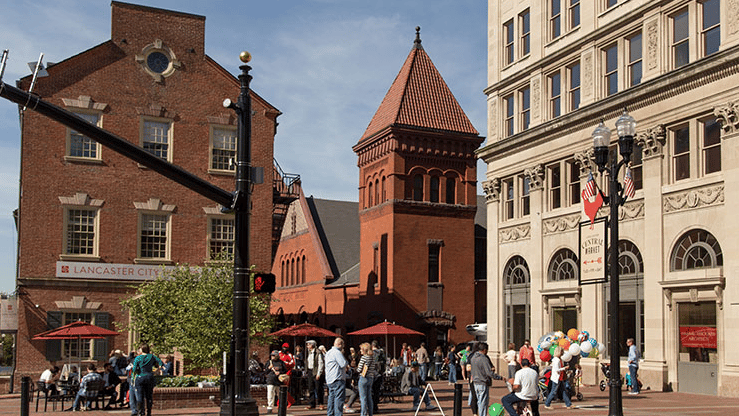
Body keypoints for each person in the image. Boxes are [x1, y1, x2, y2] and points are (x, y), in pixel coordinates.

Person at [132, 343, 164, 416]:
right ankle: (149, 412)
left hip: (140, 377)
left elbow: (134, 369)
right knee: (149, 396)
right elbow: (160, 363)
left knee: (140, 396)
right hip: (149, 377)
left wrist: (137, 373)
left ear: (142, 349)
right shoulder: (151, 356)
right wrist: (157, 370)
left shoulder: (138, 358)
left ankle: (140, 412)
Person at [325, 337, 349, 416]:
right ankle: (338, 414)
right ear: (340, 344)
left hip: (330, 378)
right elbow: (343, 364)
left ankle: (330, 413)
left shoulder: (328, 352)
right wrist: (347, 363)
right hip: (337, 377)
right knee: (339, 398)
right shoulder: (337, 353)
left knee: (331, 397)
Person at [470, 342, 494, 416]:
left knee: (479, 401)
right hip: (482, 382)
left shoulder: (473, 357)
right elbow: (489, 372)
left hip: (475, 382)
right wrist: (499, 377)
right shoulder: (483, 358)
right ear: (484, 350)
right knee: (483, 403)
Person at [357, 343, 377, 416]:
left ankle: (363, 413)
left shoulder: (364, 358)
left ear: (364, 350)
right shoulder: (372, 357)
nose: (360, 351)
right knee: (369, 397)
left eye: (361, 349)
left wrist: (356, 368)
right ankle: (370, 413)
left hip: (363, 377)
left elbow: (359, 369)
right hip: (370, 377)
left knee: (363, 398)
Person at [305, 340, 326, 410]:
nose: (307, 346)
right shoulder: (308, 352)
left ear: (312, 345)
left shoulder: (318, 352)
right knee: (311, 388)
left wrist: (319, 373)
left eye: (308, 345)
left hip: (316, 371)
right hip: (310, 371)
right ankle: (312, 404)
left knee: (318, 388)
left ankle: (321, 403)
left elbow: (320, 363)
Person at [370, 340, 386, 413]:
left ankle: (371, 406)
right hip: (379, 374)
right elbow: (384, 362)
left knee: (371, 391)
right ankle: (375, 407)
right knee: (376, 391)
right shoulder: (381, 353)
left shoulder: (371, 353)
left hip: (372, 374)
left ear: (372, 346)